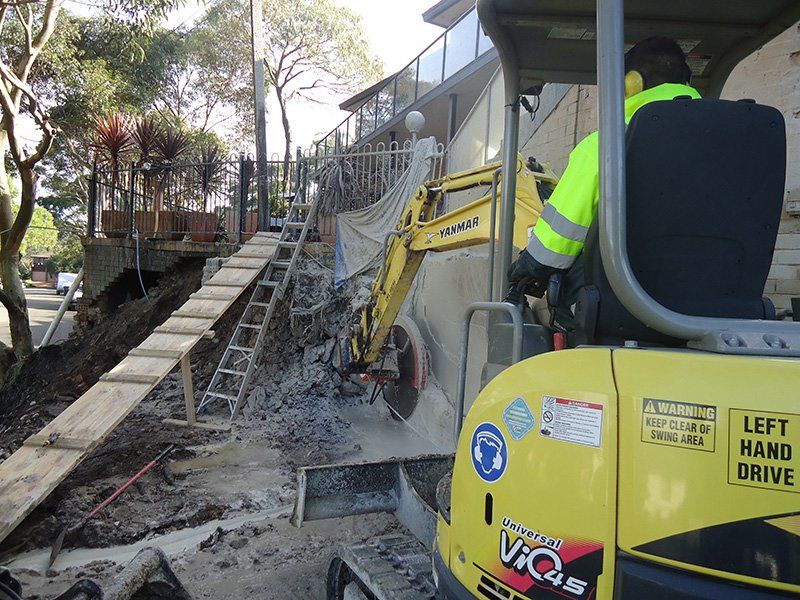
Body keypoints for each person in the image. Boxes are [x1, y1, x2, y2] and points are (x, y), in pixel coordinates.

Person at [507, 36, 699, 328]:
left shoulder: (607, 145)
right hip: (707, 308)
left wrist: (523, 272)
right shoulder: (732, 143)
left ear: (631, 83)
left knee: (531, 318)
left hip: (613, 311)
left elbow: (555, 245)